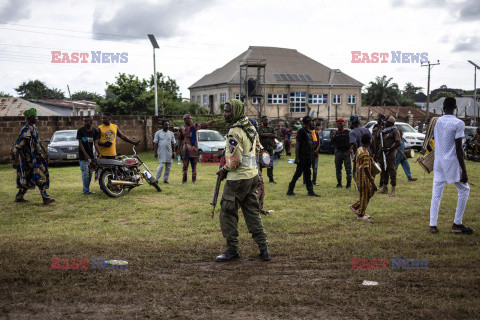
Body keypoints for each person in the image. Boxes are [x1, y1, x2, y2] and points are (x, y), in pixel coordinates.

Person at [215, 99, 270, 262]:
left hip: (237, 179)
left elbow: (235, 160)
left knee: (228, 212)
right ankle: (264, 249)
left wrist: (224, 170)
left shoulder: (234, 131)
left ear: (236, 112)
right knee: (252, 213)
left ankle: (232, 250)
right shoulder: (250, 126)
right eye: (224, 111)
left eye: (227, 111)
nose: (224, 114)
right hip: (252, 175)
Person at [429, 97, 473, 234]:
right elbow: (459, 148)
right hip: (452, 162)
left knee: (436, 194)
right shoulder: (458, 123)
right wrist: (464, 171)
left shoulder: (437, 121)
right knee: (464, 190)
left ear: (443, 107)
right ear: (455, 108)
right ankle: (457, 224)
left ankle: (432, 225)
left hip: (438, 162)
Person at [12, 108, 55, 205]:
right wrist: (16, 160)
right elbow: (19, 145)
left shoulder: (33, 128)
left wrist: (44, 150)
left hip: (36, 157)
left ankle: (19, 197)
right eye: (35, 116)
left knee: (28, 178)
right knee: (39, 176)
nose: (37, 118)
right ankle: (45, 198)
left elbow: (38, 141)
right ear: (30, 118)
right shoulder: (26, 130)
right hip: (29, 159)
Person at [177, 114, 221, 183]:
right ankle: (184, 180)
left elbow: (204, 124)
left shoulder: (194, 126)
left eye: (190, 118)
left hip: (194, 149)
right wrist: (178, 150)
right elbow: (179, 139)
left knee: (194, 166)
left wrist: (213, 121)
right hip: (185, 150)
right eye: (188, 118)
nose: (190, 120)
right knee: (185, 165)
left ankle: (194, 180)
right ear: (185, 119)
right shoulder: (181, 128)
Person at [287, 116, 321, 197]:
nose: (313, 123)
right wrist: (297, 157)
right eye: (311, 121)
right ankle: (290, 190)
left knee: (308, 174)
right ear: (308, 122)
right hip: (302, 157)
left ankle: (310, 192)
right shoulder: (301, 131)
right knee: (298, 174)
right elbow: (297, 145)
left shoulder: (309, 132)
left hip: (308, 157)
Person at [349, 134, 377, 220]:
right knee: (365, 195)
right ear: (370, 141)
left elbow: (354, 161)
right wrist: (373, 183)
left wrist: (353, 173)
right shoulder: (365, 153)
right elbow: (366, 169)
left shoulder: (359, 149)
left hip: (359, 177)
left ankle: (356, 206)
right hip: (364, 179)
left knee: (366, 195)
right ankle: (361, 215)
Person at [379, 116, 401, 197]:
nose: (385, 123)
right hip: (383, 153)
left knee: (391, 170)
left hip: (390, 154)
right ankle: (385, 188)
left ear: (390, 123)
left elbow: (398, 143)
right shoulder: (384, 131)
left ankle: (393, 190)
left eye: (386, 122)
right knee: (384, 170)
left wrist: (389, 149)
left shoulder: (395, 131)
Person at [77, 116, 99, 195]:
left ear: (91, 122)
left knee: (90, 173)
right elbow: (80, 144)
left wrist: (99, 153)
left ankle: (87, 190)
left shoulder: (95, 131)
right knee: (85, 173)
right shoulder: (80, 130)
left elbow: (96, 143)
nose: (84, 123)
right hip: (83, 156)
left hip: (91, 156)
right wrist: (85, 155)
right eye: (84, 121)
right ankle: (85, 191)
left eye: (86, 121)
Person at [330, 118, 352, 189]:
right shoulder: (335, 133)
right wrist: (332, 137)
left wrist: (350, 149)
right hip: (338, 152)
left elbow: (351, 142)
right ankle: (339, 184)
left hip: (346, 152)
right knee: (338, 169)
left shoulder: (347, 132)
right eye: (338, 123)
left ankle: (348, 184)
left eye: (340, 123)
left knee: (348, 169)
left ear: (344, 124)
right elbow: (330, 143)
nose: (339, 124)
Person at [258, 116, 277, 183]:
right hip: (262, 149)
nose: (266, 121)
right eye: (265, 120)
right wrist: (270, 134)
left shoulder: (271, 128)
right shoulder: (260, 128)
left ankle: (271, 179)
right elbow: (261, 134)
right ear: (262, 121)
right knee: (261, 164)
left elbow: (275, 135)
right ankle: (259, 179)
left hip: (270, 148)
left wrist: (266, 135)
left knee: (270, 164)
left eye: (267, 120)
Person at [303, 121, 321, 186]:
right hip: (307, 154)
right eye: (312, 124)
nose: (314, 126)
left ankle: (314, 181)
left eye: (315, 125)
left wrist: (316, 149)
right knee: (306, 168)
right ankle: (305, 182)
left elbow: (319, 143)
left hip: (315, 154)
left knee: (315, 168)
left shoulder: (316, 133)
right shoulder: (306, 133)